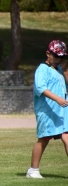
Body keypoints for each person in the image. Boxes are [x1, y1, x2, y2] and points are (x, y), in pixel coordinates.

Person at [26, 40, 68, 178]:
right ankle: (33, 170)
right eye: (56, 56)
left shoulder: (59, 70)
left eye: (61, 57)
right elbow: (40, 88)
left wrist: (65, 70)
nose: (58, 59)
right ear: (48, 54)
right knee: (44, 139)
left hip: (61, 112)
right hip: (47, 111)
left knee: (67, 137)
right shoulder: (42, 69)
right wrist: (57, 99)